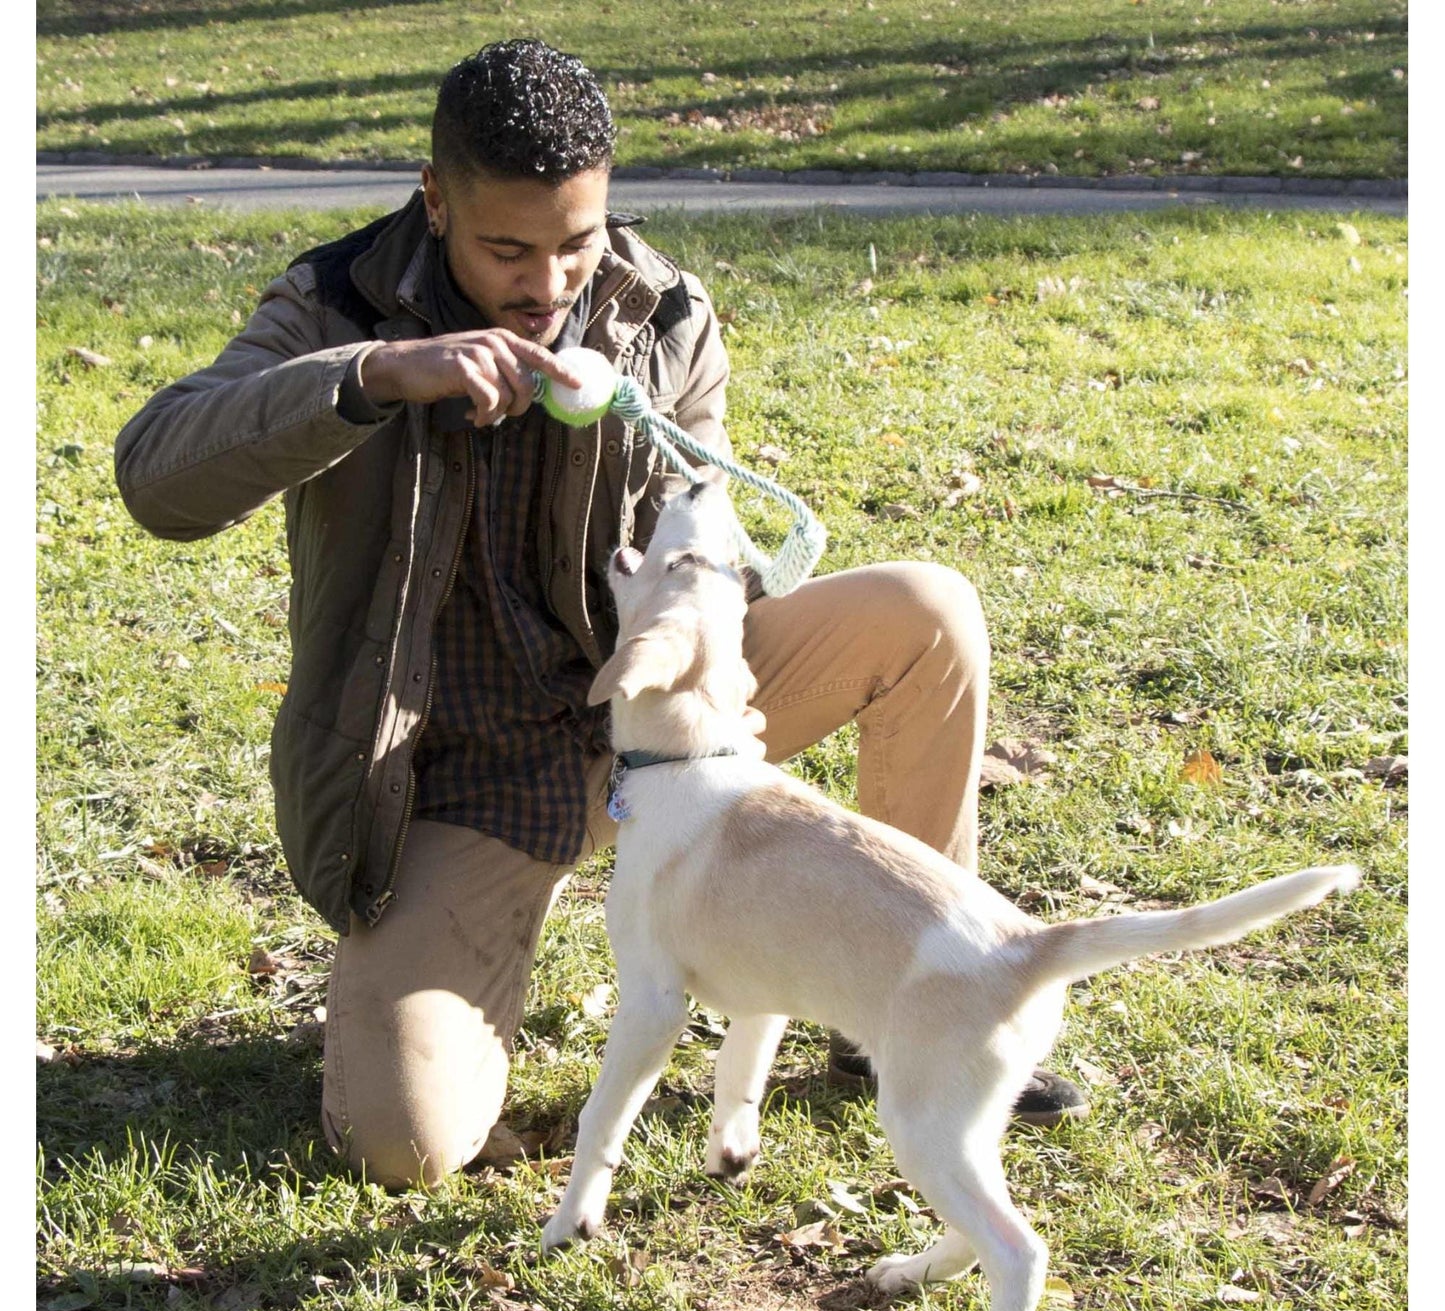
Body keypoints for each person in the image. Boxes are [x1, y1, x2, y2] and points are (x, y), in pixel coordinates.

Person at [114, 38, 1086, 1189]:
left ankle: (904, 1002)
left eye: (576, 242)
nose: (547, 283)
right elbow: (155, 477)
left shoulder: (661, 313)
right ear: (435, 201)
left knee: (925, 610)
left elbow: (712, 529)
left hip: (660, 717)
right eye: (506, 249)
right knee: (399, 1142)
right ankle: (455, 968)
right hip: (457, 778)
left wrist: (706, 616)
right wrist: (375, 376)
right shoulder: (337, 306)